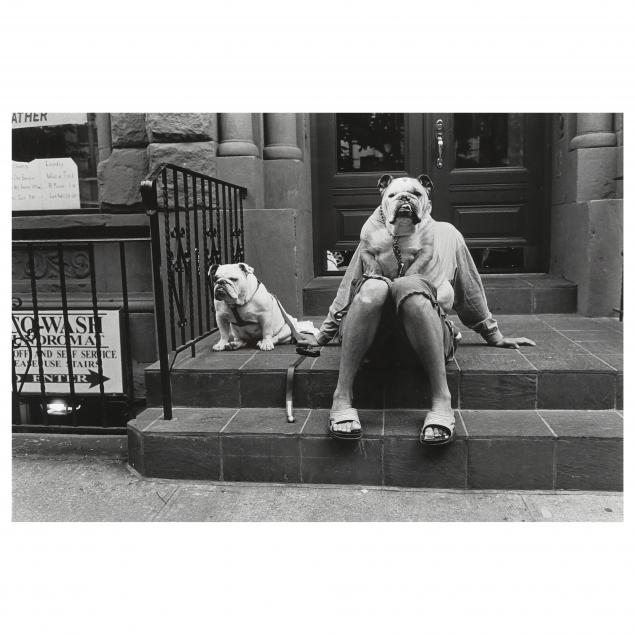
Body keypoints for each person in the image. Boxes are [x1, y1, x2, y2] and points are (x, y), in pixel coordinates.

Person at [300, 174, 536, 445]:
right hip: (374, 341)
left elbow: (469, 289)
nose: (404, 200)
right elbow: (349, 287)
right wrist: (322, 335)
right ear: (383, 203)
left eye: (414, 194)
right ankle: (341, 395)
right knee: (373, 288)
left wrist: (492, 334)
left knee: (410, 287)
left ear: (428, 203)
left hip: (426, 336)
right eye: (395, 195)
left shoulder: (446, 234)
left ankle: (441, 400)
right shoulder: (375, 236)